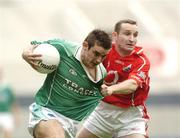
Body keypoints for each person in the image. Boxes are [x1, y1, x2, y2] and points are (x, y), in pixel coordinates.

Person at [22, 29, 112, 138]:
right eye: (96, 53)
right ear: (85, 45)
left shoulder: (102, 74)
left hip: (72, 124)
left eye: (103, 56)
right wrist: (25, 53)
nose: (99, 60)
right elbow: (34, 45)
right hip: (46, 112)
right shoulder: (63, 48)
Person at [77, 19, 150, 138]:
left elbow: (132, 84)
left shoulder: (141, 60)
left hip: (130, 116)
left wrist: (112, 89)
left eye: (135, 35)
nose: (131, 39)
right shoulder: (105, 52)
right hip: (102, 112)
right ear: (115, 35)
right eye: (127, 34)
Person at [0, 67, 20, 138]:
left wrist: (17, 116)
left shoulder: (7, 87)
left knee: (8, 134)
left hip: (6, 114)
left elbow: (13, 102)